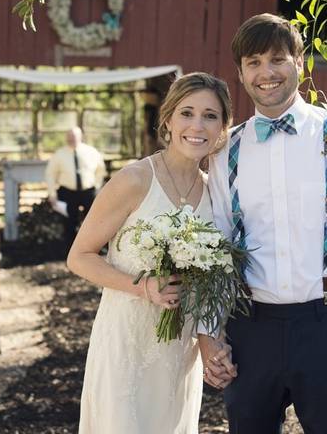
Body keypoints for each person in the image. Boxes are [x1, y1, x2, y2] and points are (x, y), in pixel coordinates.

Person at [201, 13, 327, 433]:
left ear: (299, 62)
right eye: (254, 62)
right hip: (249, 330)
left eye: (277, 59)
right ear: (240, 73)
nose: (266, 73)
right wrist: (209, 333)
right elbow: (214, 249)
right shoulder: (227, 151)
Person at [67, 72, 233, 434]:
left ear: (223, 128)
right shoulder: (135, 180)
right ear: (168, 119)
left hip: (178, 354)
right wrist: (142, 287)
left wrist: (210, 343)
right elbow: (79, 257)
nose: (197, 125)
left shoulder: (216, 196)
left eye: (210, 116)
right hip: (125, 344)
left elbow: (210, 284)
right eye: (187, 113)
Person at [46, 127, 106, 241]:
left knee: (93, 221)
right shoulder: (59, 154)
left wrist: (98, 187)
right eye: (69, 136)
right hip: (67, 192)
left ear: (80, 137)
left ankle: (93, 248)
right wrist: (52, 194)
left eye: (74, 136)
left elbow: (100, 170)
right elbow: (50, 174)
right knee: (69, 224)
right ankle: (70, 252)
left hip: (88, 192)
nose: (71, 139)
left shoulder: (91, 152)